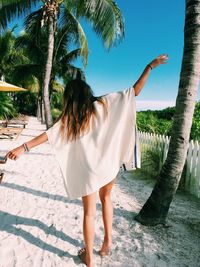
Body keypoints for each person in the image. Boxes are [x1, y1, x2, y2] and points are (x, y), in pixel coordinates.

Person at [6, 54, 168, 267]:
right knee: (107, 198)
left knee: (89, 213)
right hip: (108, 165)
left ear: (69, 98)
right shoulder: (104, 104)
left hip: (90, 171)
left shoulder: (70, 118)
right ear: (87, 92)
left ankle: (89, 258)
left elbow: (47, 135)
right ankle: (107, 243)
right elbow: (134, 92)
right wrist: (149, 66)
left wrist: (22, 147)